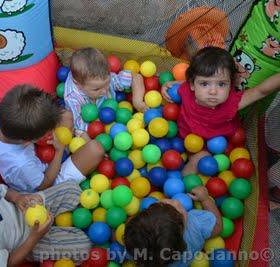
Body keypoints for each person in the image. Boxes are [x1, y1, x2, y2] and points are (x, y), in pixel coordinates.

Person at [160, 46, 280, 174]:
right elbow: (175, 85)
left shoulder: (232, 103)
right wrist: (167, 85)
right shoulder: (185, 89)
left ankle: (181, 191)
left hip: (207, 147)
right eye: (205, 84)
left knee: (198, 162)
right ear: (192, 84)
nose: (213, 91)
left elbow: (260, 91)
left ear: (231, 85)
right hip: (179, 135)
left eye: (221, 84)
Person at [0, 84, 105, 192]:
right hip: (46, 184)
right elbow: (45, 184)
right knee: (96, 149)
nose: (52, 132)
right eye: (48, 133)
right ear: (32, 139)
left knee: (66, 116)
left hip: (40, 155)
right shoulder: (21, 164)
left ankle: (70, 148)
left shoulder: (8, 120)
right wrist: (59, 152)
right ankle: (68, 152)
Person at [124, 186, 222, 267]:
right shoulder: (196, 224)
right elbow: (218, 227)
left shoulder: (136, 247)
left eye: (162, 204)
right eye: (180, 212)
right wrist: (205, 199)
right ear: (183, 227)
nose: (176, 202)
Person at [64, 47, 147, 139]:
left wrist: (138, 102)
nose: (104, 91)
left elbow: (136, 77)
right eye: (96, 89)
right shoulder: (72, 97)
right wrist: (95, 137)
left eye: (106, 84)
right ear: (78, 85)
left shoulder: (106, 78)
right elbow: (78, 125)